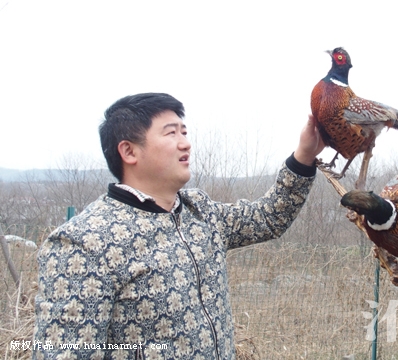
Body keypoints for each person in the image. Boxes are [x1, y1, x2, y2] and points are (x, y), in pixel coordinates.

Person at [33, 92, 325, 359]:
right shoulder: (85, 243)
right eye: (171, 133)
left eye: (184, 132)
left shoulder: (200, 213)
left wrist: (305, 155)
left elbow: (268, 218)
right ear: (129, 152)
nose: (185, 142)